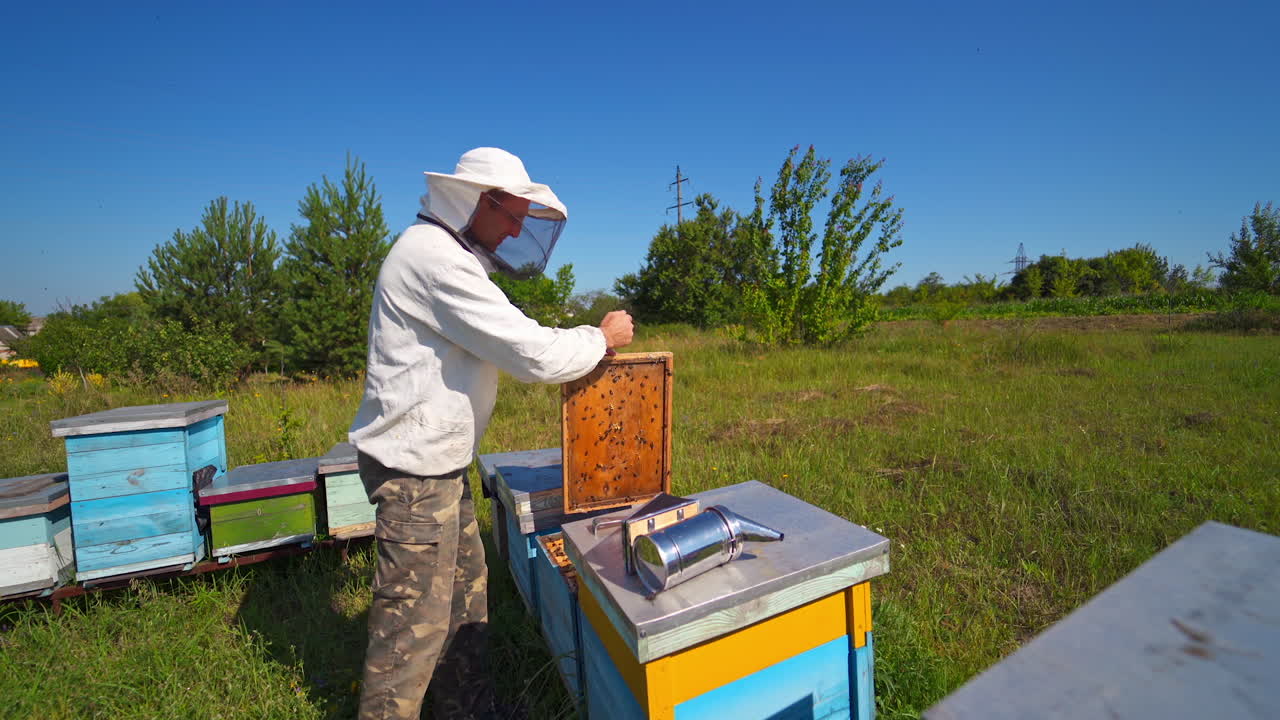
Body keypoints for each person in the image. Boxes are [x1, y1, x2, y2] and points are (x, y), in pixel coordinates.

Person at [348, 147, 634, 720]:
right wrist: (600, 337)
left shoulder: (447, 255)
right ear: (476, 201)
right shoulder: (434, 260)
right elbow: (530, 350)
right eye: (511, 214)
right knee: (409, 633)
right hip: (415, 478)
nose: (516, 229)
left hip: (440, 467)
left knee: (464, 602)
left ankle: (467, 711)